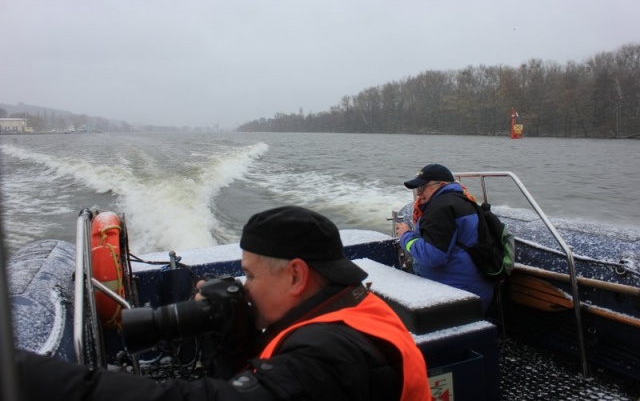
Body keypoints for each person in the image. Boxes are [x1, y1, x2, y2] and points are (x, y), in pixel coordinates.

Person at [16, 205, 431, 401]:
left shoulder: (330, 356)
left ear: (297, 275)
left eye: (249, 275)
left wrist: (21, 371)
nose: (243, 287)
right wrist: (237, 340)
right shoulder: (356, 307)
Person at [395, 164, 495, 312]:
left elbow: (432, 257)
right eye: (417, 189)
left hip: (456, 294)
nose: (419, 194)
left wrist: (405, 236)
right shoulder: (463, 201)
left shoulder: (439, 209)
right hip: (478, 290)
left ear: (440, 185)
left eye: (422, 188)